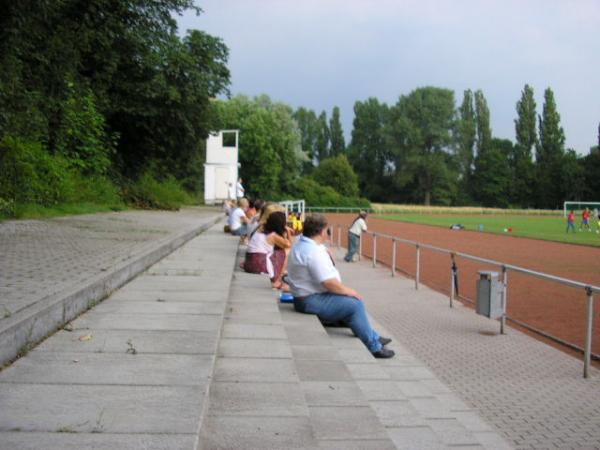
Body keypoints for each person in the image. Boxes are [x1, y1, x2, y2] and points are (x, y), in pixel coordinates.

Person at [287, 214, 394, 358]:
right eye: (326, 230)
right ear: (321, 232)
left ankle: (372, 335)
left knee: (349, 302)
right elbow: (328, 283)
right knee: (355, 304)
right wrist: (349, 291)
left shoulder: (302, 243)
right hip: (310, 300)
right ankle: (375, 347)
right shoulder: (313, 252)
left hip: (304, 297)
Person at [243, 211, 293, 290]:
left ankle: (282, 273)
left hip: (249, 264)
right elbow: (289, 245)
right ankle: (278, 280)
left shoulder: (261, 229)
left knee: (277, 251)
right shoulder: (273, 236)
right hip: (260, 266)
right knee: (287, 251)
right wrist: (289, 232)